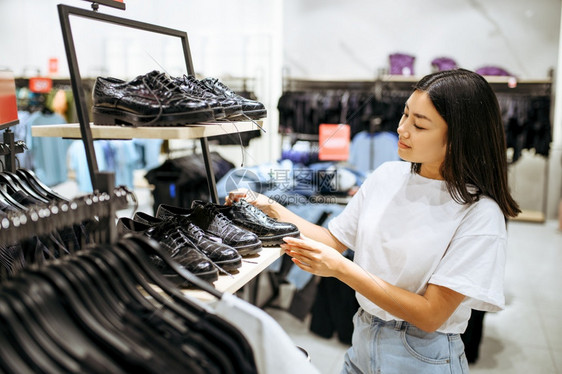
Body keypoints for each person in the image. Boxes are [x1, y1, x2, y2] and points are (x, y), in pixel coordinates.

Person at [227, 68, 520, 373]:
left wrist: (341, 270)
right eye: (405, 115)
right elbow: (334, 240)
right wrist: (270, 208)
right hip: (363, 339)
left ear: (460, 137)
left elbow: (431, 314)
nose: (402, 129)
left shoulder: (480, 214)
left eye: (419, 125)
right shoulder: (387, 176)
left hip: (424, 356)